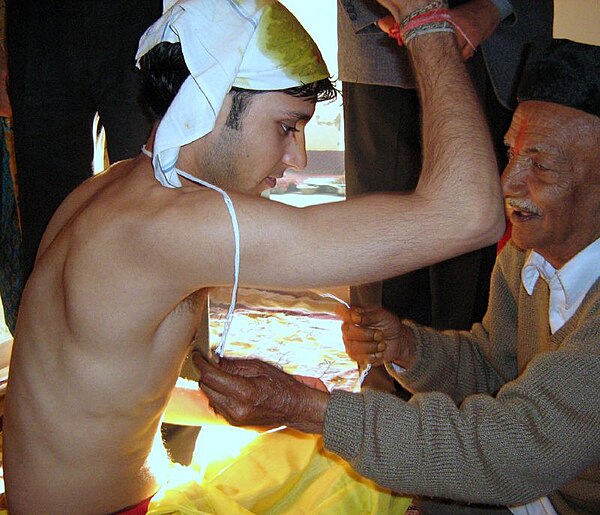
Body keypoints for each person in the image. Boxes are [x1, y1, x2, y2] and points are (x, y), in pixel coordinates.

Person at [2, 0, 505, 512]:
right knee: (368, 486)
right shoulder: (178, 227)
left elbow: (93, 399)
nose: (299, 161)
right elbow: (470, 214)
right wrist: (425, 17)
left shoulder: (105, 191)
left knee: (314, 447)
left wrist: (237, 405)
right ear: (210, 102)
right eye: (288, 126)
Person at [194, 39, 600, 514]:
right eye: (511, 153)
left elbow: (508, 451)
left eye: (542, 165)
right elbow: (496, 368)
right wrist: (408, 347)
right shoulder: (525, 256)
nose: (508, 183)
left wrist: (307, 409)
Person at [338, 0, 553, 330]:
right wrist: (378, 11)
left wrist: (495, 7)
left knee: (475, 260)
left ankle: (468, 374)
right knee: (380, 243)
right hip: (381, 50)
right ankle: (381, 377)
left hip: (500, 50)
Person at [5, 0, 162, 287]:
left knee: (159, 199)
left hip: (141, 19)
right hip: (40, 25)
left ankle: (171, 330)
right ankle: (51, 331)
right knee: (48, 225)